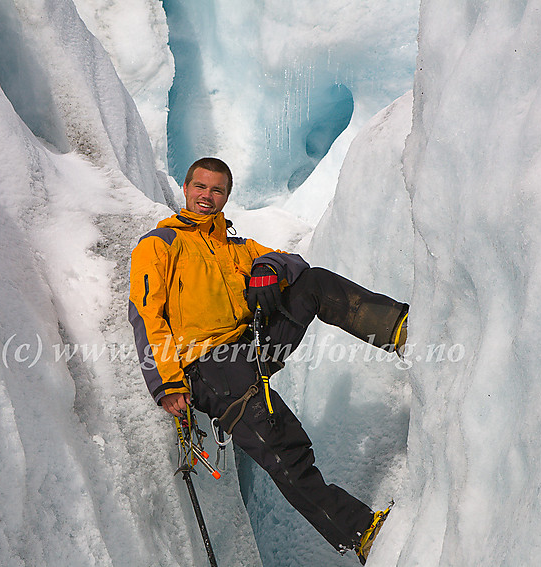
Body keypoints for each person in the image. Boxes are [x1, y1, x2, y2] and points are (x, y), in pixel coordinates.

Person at [128, 157, 408, 563]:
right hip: (208, 366)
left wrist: (266, 267)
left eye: (217, 190)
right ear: (186, 190)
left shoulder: (234, 246)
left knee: (313, 284)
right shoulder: (161, 244)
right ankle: (360, 533)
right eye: (200, 188)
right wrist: (166, 384)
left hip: (253, 348)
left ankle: (398, 329)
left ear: (226, 196)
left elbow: (292, 263)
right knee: (283, 447)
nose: (207, 196)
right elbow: (145, 314)